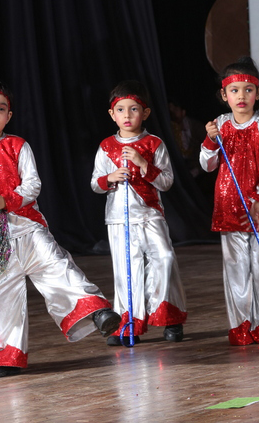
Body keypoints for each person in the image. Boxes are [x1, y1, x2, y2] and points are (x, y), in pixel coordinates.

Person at [0, 78, 120, 379]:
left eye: (1, 108)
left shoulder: (17, 146)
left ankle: (95, 310)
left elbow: (32, 185)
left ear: (9, 116)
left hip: (27, 227)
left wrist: (5, 200)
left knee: (57, 266)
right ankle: (4, 356)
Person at [91, 80, 187, 346]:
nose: (127, 115)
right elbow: (95, 183)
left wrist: (143, 163)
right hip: (119, 219)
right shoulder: (106, 146)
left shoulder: (154, 143)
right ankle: (128, 323)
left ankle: (169, 316)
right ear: (112, 114)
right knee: (127, 270)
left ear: (145, 113)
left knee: (164, 258)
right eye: (121, 109)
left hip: (150, 215)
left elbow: (166, 182)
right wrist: (109, 178)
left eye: (134, 109)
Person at [200, 57, 259, 346]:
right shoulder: (220, 125)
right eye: (234, 90)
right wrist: (210, 141)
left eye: (248, 90)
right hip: (229, 207)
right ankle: (241, 325)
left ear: (257, 93)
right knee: (236, 270)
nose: (241, 96)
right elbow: (207, 165)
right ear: (224, 95)